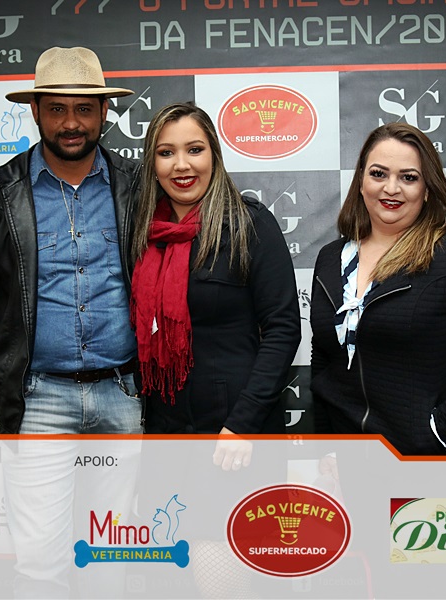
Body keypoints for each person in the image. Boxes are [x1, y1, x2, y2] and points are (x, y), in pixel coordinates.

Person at [0, 46, 143, 598]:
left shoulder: (139, 186)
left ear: (104, 113)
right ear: (35, 112)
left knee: (110, 555)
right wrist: (6, 351)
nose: (71, 122)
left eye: (84, 109)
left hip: (125, 394)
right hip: (39, 399)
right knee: (40, 564)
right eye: (57, 109)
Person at [129, 102, 300, 598]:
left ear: (215, 156)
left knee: (219, 573)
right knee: (170, 574)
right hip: (165, 435)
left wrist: (242, 424)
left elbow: (283, 329)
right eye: (166, 153)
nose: (181, 165)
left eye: (194, 150)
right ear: (152, 163)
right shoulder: (143, 232)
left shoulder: (250, 223)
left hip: (232, 438)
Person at [309, 122, 446, 456]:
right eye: (378, 174)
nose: (391, 188)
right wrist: (328, 446)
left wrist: (440, 431)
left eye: (408, 178)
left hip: (430, 462)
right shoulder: (330, 259)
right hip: (351, 458)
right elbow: (324, 356)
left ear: (426, 190)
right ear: (361, 182)